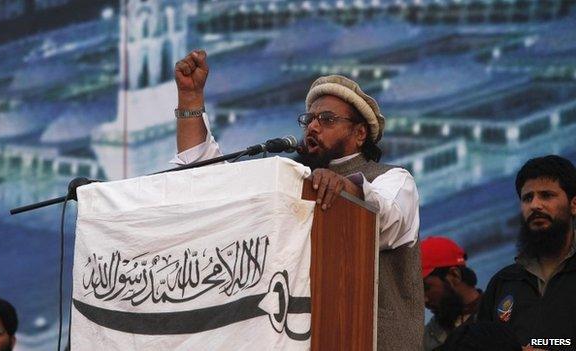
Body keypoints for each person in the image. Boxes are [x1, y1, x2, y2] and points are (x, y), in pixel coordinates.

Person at [171, 49, 423, 350]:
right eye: (310, 119)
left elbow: (385, 214)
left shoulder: (392, 179)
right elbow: (207, 176)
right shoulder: (291, 182)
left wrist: (345, 187)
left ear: (359, 133)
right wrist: (190, 99)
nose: (313, 127)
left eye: (326, 119)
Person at [478, 155, 576, 346]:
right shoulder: (503, 283)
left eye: (546, 195)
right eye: (527, 198)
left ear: (573, 205)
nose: (535, 205)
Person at [421, 236, 483, 351]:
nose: (423, 299)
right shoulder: (426, 339)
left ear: (454, 276)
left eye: (426, 288)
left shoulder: (501, 314)